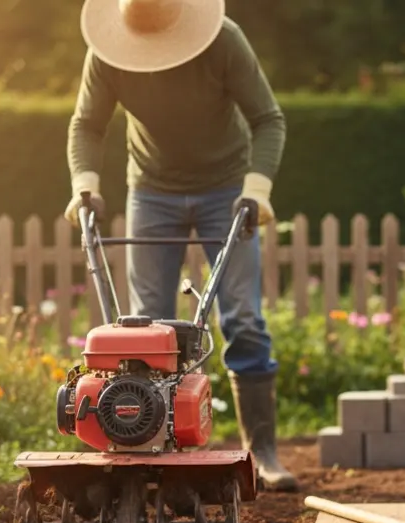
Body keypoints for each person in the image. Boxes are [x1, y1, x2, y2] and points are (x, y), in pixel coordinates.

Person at [64, 0, 297, 492]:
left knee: (243, 319)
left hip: (226, 188)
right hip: (151, 190)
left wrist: (256, 188)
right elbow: (87, 124)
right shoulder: (107, 53)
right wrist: (84, 185)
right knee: (146, 326)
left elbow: (268, 118)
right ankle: (153, 450)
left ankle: (265, 452)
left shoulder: (223, 40)